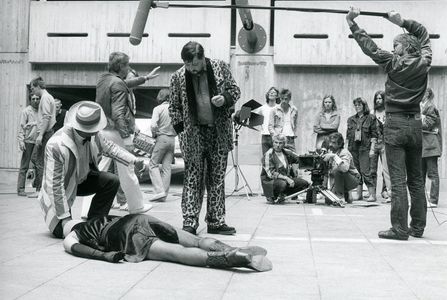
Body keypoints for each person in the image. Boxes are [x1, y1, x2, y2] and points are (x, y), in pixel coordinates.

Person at [347, 7, 431, 240]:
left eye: (396, 45)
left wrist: (352, 23)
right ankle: (417, 227)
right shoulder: (424, 62)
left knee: (397, 179)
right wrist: (401, 21)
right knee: (415, 179)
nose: (394, 48)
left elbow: (370, 48)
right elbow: (423, 33)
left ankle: (400, 229)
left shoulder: (393, 63)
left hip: (395, 124)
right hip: (415, 125)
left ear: (404, 47)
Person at [38, 101, 148, 238]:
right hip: (62, 189)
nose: (99, 128)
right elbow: (54, 186)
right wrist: (65, 218)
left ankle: (95, 222)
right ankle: (68, 220)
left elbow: (111, 149)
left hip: (82, 179)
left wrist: (134, 161)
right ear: (85, 128)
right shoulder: (56, 146)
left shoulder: (95, 135)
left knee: (111, 181)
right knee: (64, 232)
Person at [169, 41, 240, 235]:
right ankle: (190, 221)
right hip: (193, 135)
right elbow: (174, 107)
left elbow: (235, 90)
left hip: (218, 132)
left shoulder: (220, 67)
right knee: (193, 179)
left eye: (194, 64)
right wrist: (182, 132)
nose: (191, 69)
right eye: (187, 65)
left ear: (202, 58)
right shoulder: (177, 76)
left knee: (217, 178)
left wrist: (224, 98)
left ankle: (216, 222)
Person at [62, 215, 272, 272]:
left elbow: (76, 248)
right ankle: (231, 249)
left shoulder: (74, 233)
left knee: (177, 253)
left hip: (126, 235)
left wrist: (105, 256)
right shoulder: (98, 217)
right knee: (196, 240)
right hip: (138, 218)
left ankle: (233, 258)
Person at [96, 52, 159, 214]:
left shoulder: (104, 79)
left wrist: (145, 78)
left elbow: (125, 83)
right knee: (127, 168)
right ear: (121, 66)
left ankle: (90, 207)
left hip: (103, 130)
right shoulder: (117, 84)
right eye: (127, 65)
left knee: (101, 170)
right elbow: (118, 113)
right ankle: (136, 206)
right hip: (116, 133)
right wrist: (126, 137)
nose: (129, 68)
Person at [261, 134, 309, 204]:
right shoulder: (269, 154)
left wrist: (310, 158)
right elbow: (271, 174)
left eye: (280, 143)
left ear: (284, 144)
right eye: (276, 142)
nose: (278, 145)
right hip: (271, 182)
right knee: (282, 184)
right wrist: (286, 178)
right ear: (273, 143)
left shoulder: (286, 152)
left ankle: (284, 194)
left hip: (285, 180)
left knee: (304, 184)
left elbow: (299, 158)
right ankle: (272, 196)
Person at [29, 76, 56, 197]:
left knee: (38, 160)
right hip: (47, 132)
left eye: (32, 88)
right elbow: (45, 118)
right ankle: (43, 189)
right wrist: (34, 123)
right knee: (39, 160)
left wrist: (40, 135)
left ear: (38, 86)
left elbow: (46, 118)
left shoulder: (45, 98)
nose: (32, 91)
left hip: (45, 134)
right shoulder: (48, 97)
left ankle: (40, 190)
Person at [346, 97, 378, 202]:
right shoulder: (350, 119)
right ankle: (358, 194)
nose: (357, 107)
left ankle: (372, 195)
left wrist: (372, 149)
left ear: (364, 106)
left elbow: (374, 135)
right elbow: (347, 136)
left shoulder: (371, 118)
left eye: (359, 105)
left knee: (366, 172)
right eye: (355, 105)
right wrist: (347, 150)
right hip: (353, 148)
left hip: (365, 148)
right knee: (356, 172)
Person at [148, 88, 177, 202]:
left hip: (162, 138)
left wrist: (154, 134)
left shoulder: (158, 109)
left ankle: (159, 191)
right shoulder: (175, 110)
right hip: (172, 140)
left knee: (153, 164)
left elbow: (153, 125)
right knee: (167, 168)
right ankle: (163, 195)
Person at [322, 132, 361, 203]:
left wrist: (334, 156)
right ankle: (346, 194)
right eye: (330, 142)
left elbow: (344, 168)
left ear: (339, 144)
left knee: (338, 170)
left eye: (333, 143)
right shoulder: (331, 152)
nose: (330, 145)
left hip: (353, 179)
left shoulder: (344, 152)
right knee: (328, 200)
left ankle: (340, 197)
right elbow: (330, 173)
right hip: (340, 179)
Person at [420, 88, 442, 208]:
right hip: (423, 146)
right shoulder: (422, 107)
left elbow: (427, 125)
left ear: (427, 94)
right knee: (420, 174)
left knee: (433, 174)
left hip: (431, 146)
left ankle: (433, 200)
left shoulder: (431, 107)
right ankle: (421, 200)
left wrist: (416, 119)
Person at [370, 91, 392, 203]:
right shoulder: (371, 113)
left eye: (380, 98)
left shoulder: (388, 112)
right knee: (372, 170)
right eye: (376, 99)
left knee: (386, 170)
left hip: (386, 144)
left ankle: (387, 192)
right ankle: (372, 193)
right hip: (374, 143)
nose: (378, 101)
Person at [17, 94, 40, 196]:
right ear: (30, 100)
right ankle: (21, 189)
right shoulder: (26, 111)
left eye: (37, 99)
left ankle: (38, 189)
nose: (35, 100)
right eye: (33, 99)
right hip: (28, 141)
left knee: (39, 166)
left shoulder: (42, 111)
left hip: (39, 142)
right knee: (24, 166)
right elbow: (22, 128)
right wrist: (21, 141)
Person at [258, 87, 279, 155]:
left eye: (274, 92)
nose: (271, 93)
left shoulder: (279, 108)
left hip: (276, 137)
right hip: (265, 136)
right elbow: (253, 116)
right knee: (266, 159)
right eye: (270, 92)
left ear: (277, 96)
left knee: (277, 158)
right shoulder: (262, 108)